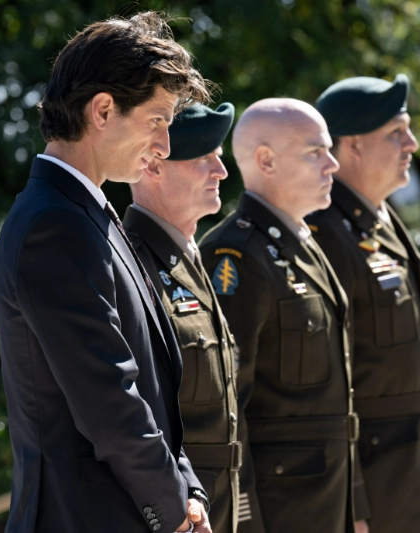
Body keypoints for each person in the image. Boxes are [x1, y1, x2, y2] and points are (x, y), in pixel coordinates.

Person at [0, 12, 214, 533]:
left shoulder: (85, 214)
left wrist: (188, 490)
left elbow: (148, 388)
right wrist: (175, 508)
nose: (164, 144)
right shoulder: (55, 224)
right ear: (104, 110)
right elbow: (110, 401)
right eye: (157, 120)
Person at [199, 99, 369, 533]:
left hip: (327, 504)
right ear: (266, 160)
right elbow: (226, 409)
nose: (332, 164)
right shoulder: (235, 256)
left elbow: (337, 408)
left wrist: (358, 508)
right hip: (279, 511)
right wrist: (243, 520)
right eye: (316, 152)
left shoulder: (306, 245)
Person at [306, 74, 420, 533]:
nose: (413, 143)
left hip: (410, 468)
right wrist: (354, 501)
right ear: (353, 145)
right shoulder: (325, 231)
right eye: (395, 132)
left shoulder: (380, 222)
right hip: (371, 474)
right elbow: (324, 390)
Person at [122, 102, 241, 533]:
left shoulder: (188, 257)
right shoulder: (132, 261)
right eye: (204, 158)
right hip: (182, 510)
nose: (221, 171)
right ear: (153, 165)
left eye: (220, 156)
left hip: (217, 500)